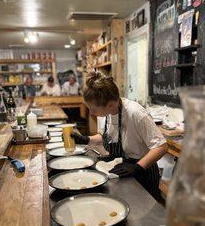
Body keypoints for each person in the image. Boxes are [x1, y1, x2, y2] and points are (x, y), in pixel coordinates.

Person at [71, 71, 168, 202]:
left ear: (110, 105)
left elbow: (161, 147)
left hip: (143, 172)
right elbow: (106, 136)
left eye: (93, 109)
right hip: (120, 170)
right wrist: (86, 139)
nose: (91, 113)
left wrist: (137, 167)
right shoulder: (105, 113)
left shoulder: (136, 114)